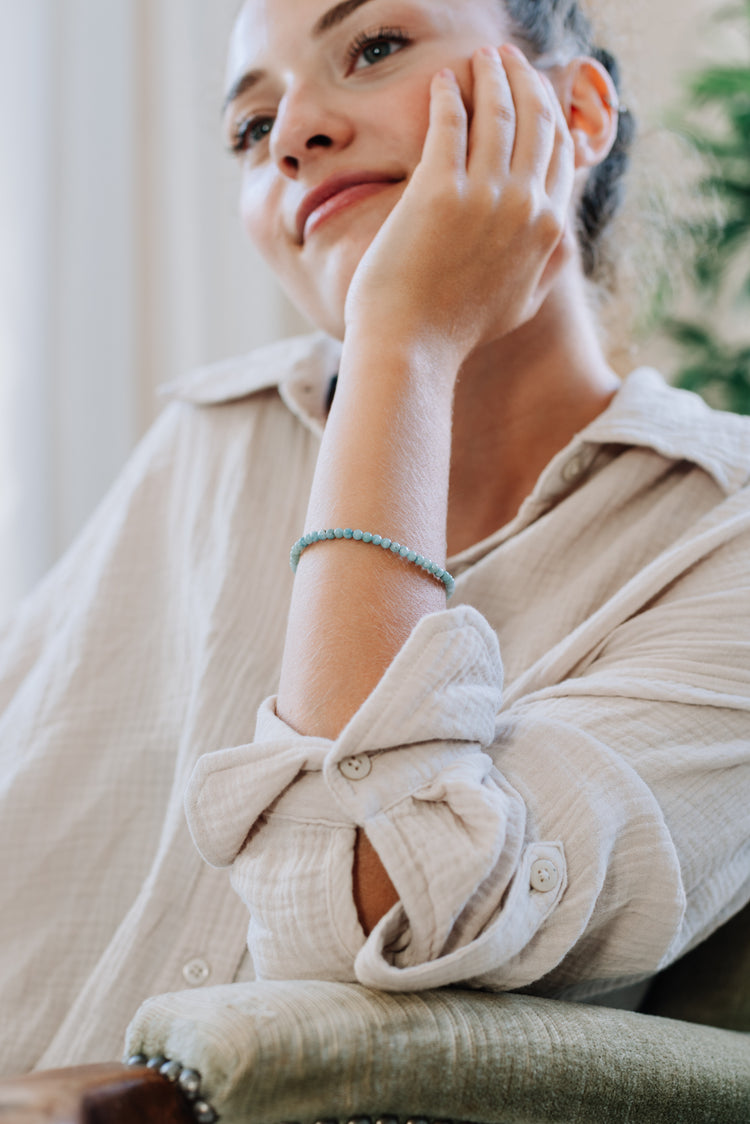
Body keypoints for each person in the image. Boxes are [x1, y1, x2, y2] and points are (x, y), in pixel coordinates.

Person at [1, 0, 749, 1078]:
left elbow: (358, 923)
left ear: (575, 113)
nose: (295, 130)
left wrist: (405, 340)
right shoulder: (205, 441)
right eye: (252, 129)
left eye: (376, 47)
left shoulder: (725, 529)